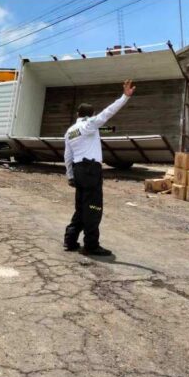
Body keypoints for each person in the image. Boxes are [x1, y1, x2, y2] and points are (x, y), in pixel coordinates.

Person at [63, 79, 136, 257]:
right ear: (91, 115)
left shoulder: (71, 130)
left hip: (79, 171)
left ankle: (70, 240)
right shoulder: (89, 125)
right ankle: (91, 245)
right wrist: (124, 97)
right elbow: (107, 113)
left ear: (78, 114)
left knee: (81, 207)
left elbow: (68, 156)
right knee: (94, 208)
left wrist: (70, 175)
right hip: (90, 170)